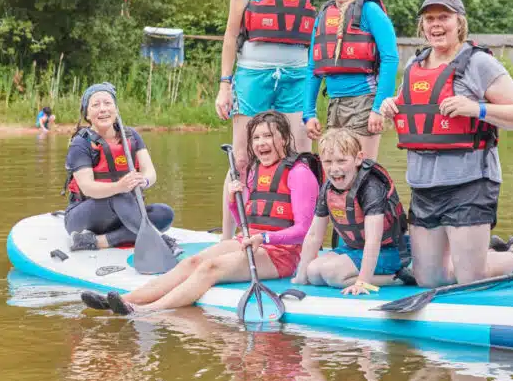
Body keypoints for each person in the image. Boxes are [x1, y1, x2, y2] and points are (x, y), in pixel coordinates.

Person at [215, 0, 362, 238]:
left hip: (297, 75)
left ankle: (302, 238)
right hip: (252, 74)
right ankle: (228, 238)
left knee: (301, 157)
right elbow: (229, 35)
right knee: (242, 158)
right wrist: (225, 85)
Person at [93, 111, 319, 315]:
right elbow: (245, 223)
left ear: (284, 139)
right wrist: (232, 202)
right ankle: (123, 299)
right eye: (256, 138)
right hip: (251, 241)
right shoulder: (254, 170)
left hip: (282, 254)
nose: (261, 143)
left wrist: (266, 238)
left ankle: (145, 310)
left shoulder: (299, 173)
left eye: (268, 136)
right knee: (192, 261)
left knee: (210, 268)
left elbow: (303, 232)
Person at [380, 0, 513, 287]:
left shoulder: (478, 63)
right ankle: (479, 250)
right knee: (429, 280)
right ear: (422, 26)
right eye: (430, 19)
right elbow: (411, 103)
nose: (436, 25)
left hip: (470, 183)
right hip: (424, 185)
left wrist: (476, 108)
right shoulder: (414, 63)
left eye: (444, 18)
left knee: (469, 279)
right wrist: (390, 105)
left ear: (459, 22)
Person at [303, 0, 397, 161]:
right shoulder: (324, 15)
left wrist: (378, 108)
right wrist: (308, 113)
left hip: (364, 102)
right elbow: (313, 68)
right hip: (335, 104)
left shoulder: (370, 10)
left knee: (362, 170)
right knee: (336, 172)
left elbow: (390, 59)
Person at [293, 128, 409, 295]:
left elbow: (373, 240)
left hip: (390, 251)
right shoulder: (328, 188)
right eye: (328, 162)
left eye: (341, 161)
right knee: (313, 272)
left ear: (358, 158)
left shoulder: (371, 188)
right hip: (355, 249)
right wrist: (300, 277)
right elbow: (313, 235)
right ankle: (346, 275)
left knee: (333, 275)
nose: (334, 169)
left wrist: (362, 282)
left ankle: (398, 277)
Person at [64, 83, 176, 253]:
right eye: (96, 105)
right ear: (87, 113)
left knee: (164, 214)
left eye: (108, 103)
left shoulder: (131, 136)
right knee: (120, 195)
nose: (103, 109)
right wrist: (119, 187)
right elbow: (87, 188)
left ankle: (97, 242)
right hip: (84, 216)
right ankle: (159, 240)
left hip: (125, 214)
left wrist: (143, 181)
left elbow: (150, 172)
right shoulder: (80, 143)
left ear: (116, 109)